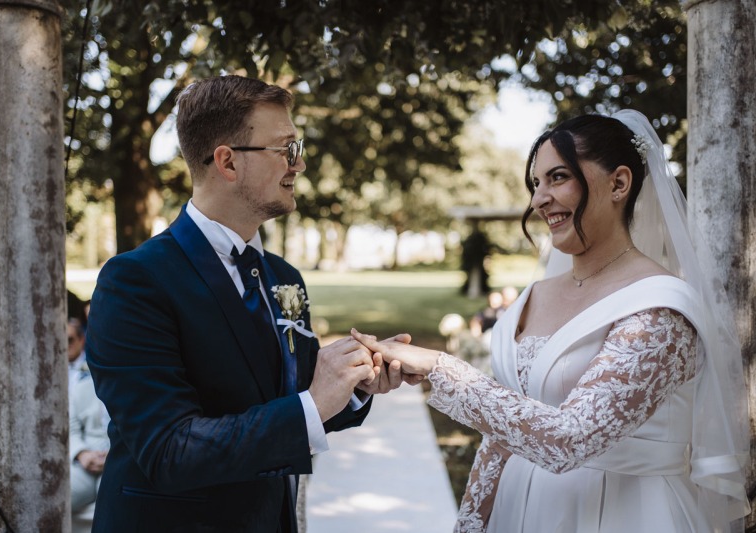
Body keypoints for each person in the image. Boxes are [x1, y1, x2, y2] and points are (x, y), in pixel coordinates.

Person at [353, 110, 749, 533]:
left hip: (624, 515)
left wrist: (439, 367)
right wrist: (471, 522)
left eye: (558, 177)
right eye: (536, 183)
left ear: (618, 183)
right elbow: (501, 435)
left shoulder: (661, 310)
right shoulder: (533, 296)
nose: (539, 200)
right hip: (517, 514)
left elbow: (570, 439)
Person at [85, 74, 404, 533]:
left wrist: (353, 384)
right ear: (228, 162)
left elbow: (291, 398)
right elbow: (169, 450)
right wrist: (313, 405)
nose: (299, 164)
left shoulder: (284, 277)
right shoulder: (135, 282)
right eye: (287, 149)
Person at [69, 376, 110, 514]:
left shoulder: (135, 385)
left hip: (120, 460)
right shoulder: (82, 387)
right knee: (55, 493)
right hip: (84, 461)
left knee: (112, 496)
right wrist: (82, 453)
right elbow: (71, 429)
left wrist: (114, 455)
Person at [66, 319, 89, 392]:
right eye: (62, 341)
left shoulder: (92, 366)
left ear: (81, 340)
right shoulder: (54, 369)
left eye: (69, 340)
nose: (65, 345)